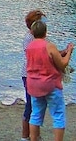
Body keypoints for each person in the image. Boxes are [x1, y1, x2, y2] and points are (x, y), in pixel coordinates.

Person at [25, 19, 73, 141]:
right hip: (50, 84)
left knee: (35, 114)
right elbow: (62, 64)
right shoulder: (49, 46)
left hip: (33, 84)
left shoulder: (29, 47)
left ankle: (33, 139)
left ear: (32, 32)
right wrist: (69, 52)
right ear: (45, 32)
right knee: (58, 115)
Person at [20, 9, 45, 141]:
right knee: (30, 105)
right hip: (29, 75)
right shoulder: (29, 38)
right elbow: (36, 56)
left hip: (35, 74)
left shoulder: (38, 37)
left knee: (36, 105)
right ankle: (25, 136)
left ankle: (35, 135)